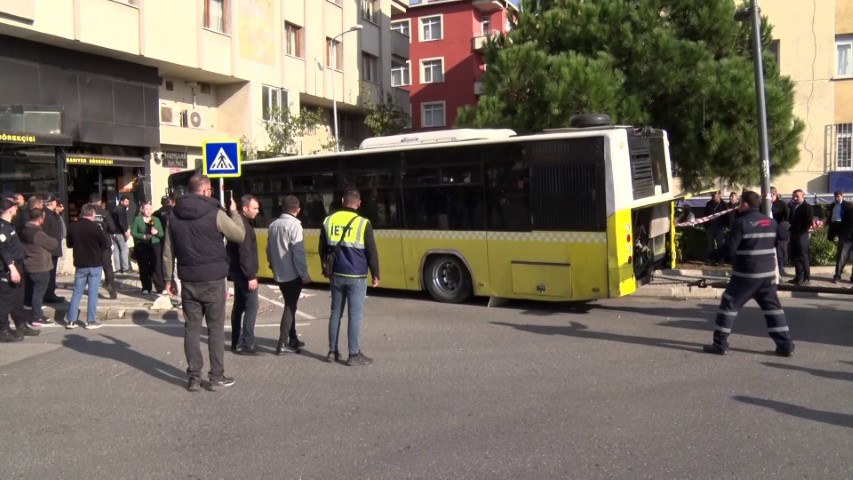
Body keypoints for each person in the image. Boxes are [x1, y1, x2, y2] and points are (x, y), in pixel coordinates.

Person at [163, 174, 245, 392]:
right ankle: (216, 377)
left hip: (188, 279)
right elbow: (238, 235)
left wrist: (168, 278)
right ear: (206, 190)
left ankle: (194, 378)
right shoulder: (214, 213)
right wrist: (235, 213)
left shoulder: (174, 215)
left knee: (191, 328)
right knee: (215, 329)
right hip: (213, 279)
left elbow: (168, 251)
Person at [703, 191, 795, 357]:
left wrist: (713, 254)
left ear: (745, 204)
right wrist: (782, 227)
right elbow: (784, 236)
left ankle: (720, 344)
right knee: (773, 310)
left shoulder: (741, 223)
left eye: (739, 203)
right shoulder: (771, 222)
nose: (738, 206)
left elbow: (730, 248)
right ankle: (785, 346)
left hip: (746, 275)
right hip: (766, 276)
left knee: (729, 305)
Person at [319, 187, 380, 366]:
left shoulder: (328, 220)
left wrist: (326, 268)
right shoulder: (363, 223)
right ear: (359, 203)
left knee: (335, 313)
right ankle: (353, 354)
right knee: (354, 315)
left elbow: (322, 248)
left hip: (336, 274)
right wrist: (376, 273)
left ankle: (332, 352)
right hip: (357, 276)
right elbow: (371, 252)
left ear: (342, 200)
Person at [267, 195, 311, 356]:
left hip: (279, 273)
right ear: (298, 210)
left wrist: (272, 265)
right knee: (290, 307)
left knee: (289, 304)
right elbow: (298, 254)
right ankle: (282, 343)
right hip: (293, 274)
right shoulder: (295, 226)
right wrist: (304, 274)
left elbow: (268, 249)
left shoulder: (273, 225)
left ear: (283, 208)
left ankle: (293, 339)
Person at [64, 203, 111, 330]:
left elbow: (69, 244)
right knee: (93, 292)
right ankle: (91, 320)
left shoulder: (73, 226)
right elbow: (105, 243)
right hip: (95, 263)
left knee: (77, 292)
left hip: (80, 263)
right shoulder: (95, 227)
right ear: (92, 214)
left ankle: (71, 320)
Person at [0, 198, 40, 342]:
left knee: (18, 300)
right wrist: (11, 267)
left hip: (18, 265)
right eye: (14, 207)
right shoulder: (2, 227)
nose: (17, 209)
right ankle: (3, 330)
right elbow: (2, 250)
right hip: (8, 269)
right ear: (9, 209)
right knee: (5, 301)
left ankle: (20, 325)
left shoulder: (10, 226)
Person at [227, 194, 260, 355]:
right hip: (243, 272)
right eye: (255, 208)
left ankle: (235, 340)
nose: (257, 211)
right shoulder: (244, 227)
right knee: (252, 305)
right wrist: (251, 275)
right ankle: (246, 342)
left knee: (239, 306)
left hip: (236, 270)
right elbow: (245, 252)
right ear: (245, 208)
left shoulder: (239, 222)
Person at [21, 208, 59, 326]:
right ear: (39, 218)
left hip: (29, 263)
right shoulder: (37, 233)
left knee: (34, 291)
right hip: (39, 265)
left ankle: (34, 313)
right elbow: (53, 243)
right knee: (39, 292)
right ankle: (37, 316)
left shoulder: (24, 230)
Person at [87, 193, 119, 299]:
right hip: (104, 242)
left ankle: (92, 289)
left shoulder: (85, 213)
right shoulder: (104, 213)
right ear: (99, 202)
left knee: (92, 266)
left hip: (91, 243)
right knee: (107, 266)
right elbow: (113, 228)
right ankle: (111, 287)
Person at [131, 202, 165, 295]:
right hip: (143, 245)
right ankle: (146, 287)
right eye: (146, 209)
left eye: (150, 209)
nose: (149, 211)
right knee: (144, 266)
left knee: (157, 266)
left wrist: (156, 232)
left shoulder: (156, 219)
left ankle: (160, 287)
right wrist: (143, 236)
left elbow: (161, 234)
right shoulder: (138, 219)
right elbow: (133, 232)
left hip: (155, 244)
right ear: (142, 209)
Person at [42, 194, 66, 303]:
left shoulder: (52, 214)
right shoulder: (46, 214)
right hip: (49, 250)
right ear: (52, 203)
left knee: (51, 273)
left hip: (53, 249)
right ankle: (49, 294)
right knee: (49, 273)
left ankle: (50, 292)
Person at [825, 190, 853, 283]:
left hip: (847, 235)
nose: (837, 198)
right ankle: (837, 275)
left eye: (838, 196)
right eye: (836, 196)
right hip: (846, 236)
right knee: (842, 256)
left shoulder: (848, 206)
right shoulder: (849, 207)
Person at [787, 189, 813, 286]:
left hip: (801, 235)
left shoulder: (807, 207)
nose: (795, 198)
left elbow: (809, 220)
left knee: (803, 256)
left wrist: (803, 231)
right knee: (796, 257)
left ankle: (807, 277)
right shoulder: (793, 207)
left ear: (803, 196)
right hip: (793, 234)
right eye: (794, 196)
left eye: (797, 196)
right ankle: (798, 276)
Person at [770, 187, 790, 276]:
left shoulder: (781, 204)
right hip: (767, 230)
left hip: (778, 230)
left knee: (779, 252)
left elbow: (787, 216)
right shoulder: (763, 204)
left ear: (774, 194)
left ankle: (780, 270)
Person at [703, 191, 726, 264]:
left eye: (714, 195)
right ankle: (711, 260)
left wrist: (724, 225)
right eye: (712, 195)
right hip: (710, 227)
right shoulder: (708, 204)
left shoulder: (724, 204)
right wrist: (706, 226)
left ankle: (720, 260)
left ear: (719, 195)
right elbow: (705, 215)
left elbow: (726, 215)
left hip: (719, 227)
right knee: (710, 245)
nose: (713, 196)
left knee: (720, 244)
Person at [111, 195, 131, 274]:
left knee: (116, 251)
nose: (127, 204)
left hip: (114, 233)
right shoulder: (121, 210)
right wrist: (125, 231)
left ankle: (118, 269)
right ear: (121, 201)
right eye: (126, 202)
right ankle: (125, 268)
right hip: (120, 232)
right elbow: (121, 222)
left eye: (128, 202)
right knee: (124, 250)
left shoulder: (115, 209)